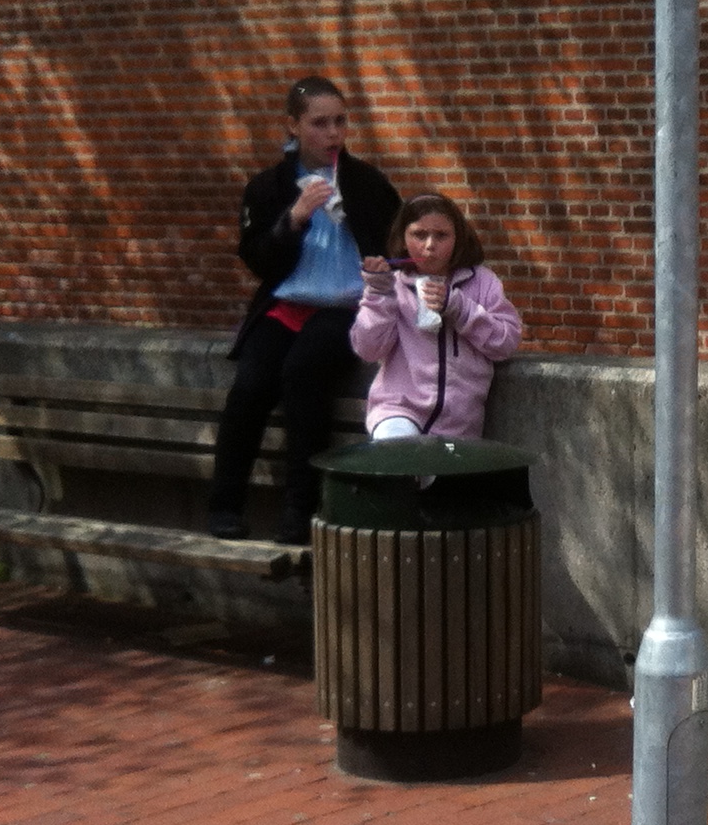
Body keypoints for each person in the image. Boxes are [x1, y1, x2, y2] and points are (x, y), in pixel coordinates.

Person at [207, 76, 402, 541]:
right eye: (319, 123)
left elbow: (399, 248)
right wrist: (292, 220)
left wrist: (383, 267)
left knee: (302, 374)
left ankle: (300, 513)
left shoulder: (367, 182)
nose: (333, 133)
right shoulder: (268, 187)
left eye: (340, 121)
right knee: (250, 386)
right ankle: (224, 507)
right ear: (293, 126)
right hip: (287, 304)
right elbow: (256, 259)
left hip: (346, 308)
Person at [351, 194, 523, 441]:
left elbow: (505, 344)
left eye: (441, 236)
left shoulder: (482, 282)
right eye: (419, 235)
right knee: (399, 451)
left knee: (438, 473)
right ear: (402, 238)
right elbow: (368, 350)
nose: (430, 245)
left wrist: (459, 308)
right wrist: (379, 295)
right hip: (397, 410)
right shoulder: (395, 287)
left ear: (458, 238)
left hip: (459, 423)